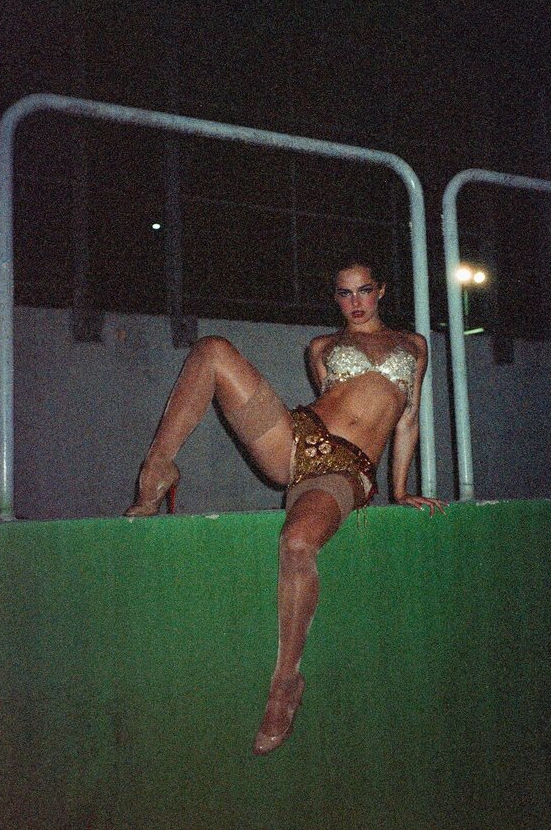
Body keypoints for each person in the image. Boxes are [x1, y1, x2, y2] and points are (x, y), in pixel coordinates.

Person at [124, 258, 445, 754]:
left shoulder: (414, 346)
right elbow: (332, 401)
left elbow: (406, 420)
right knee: (212, 350)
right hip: (296, 438)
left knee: (297, 543)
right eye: (344, 293)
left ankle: (285, 684)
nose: (355, 302)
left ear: (381, 291)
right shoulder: (322, 347)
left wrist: (399, 490)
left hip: (345, 468)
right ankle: (157, 470)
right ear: (335, 298)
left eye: (363, 290)